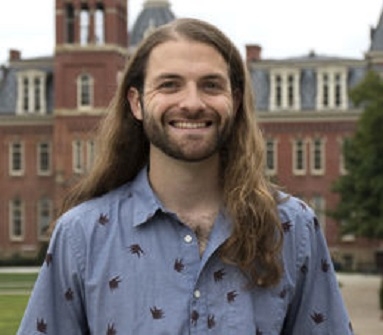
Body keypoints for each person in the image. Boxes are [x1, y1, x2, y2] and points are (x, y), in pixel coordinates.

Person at [18, 18, 353, 334]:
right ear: (136, 103)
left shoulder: (291, 228)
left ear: (234, 102)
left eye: (210, 85)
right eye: (169, 85)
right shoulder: (82, 236)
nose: (192, 103)